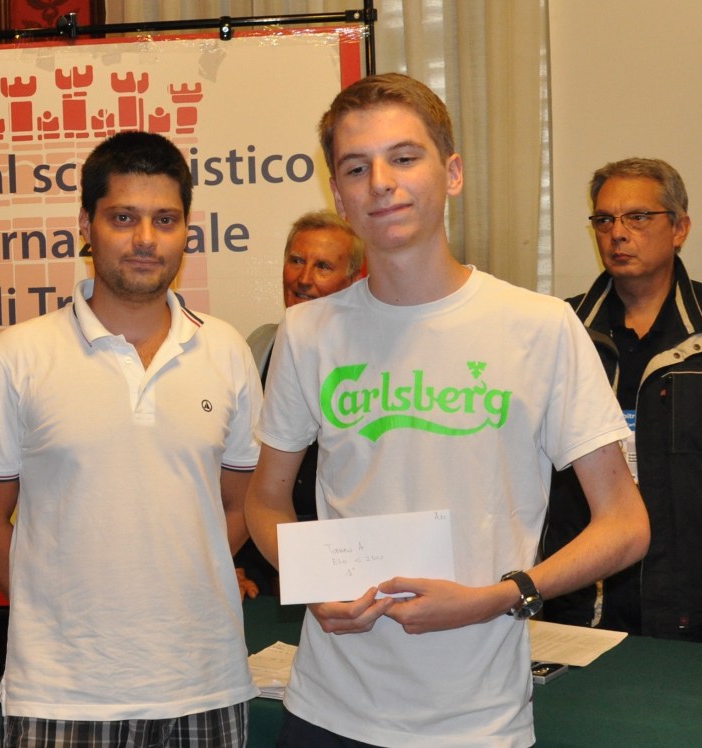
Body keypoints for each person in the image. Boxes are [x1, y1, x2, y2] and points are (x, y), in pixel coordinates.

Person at [244, 73, 650, 747]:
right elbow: (265, 500)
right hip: (327, 712)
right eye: (356, 167)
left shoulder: (541, 327)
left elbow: (625, 524)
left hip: (477, 722)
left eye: (404, 158)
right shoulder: (307, 332)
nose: (381, 182)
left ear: (452, 173)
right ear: (339, 196)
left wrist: (500, 596)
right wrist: (309, 581)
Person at [0, 131, 262, 746]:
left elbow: (241, 505)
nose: (145, 239)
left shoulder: (227, 350)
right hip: (61, 694)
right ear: (86, 226)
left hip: (203, 683)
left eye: (164, 220)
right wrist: (60, 616)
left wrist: (181, 576)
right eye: (124, 217)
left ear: (186, 230)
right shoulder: (18, 356)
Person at [541, 157, 702, 651]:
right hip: (583, 598)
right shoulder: (561, 327)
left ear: (679, 228)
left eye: (638, 217)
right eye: (604, 219)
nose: (618, 233)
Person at [237, 211, 365, 595]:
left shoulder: (369, 361)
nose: (304, 278)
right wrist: (231, 559)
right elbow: (237, 469)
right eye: (296, 260)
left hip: (343, 567)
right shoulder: (260, 344)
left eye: (323, 266)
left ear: (354, 280)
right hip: (263, 560)